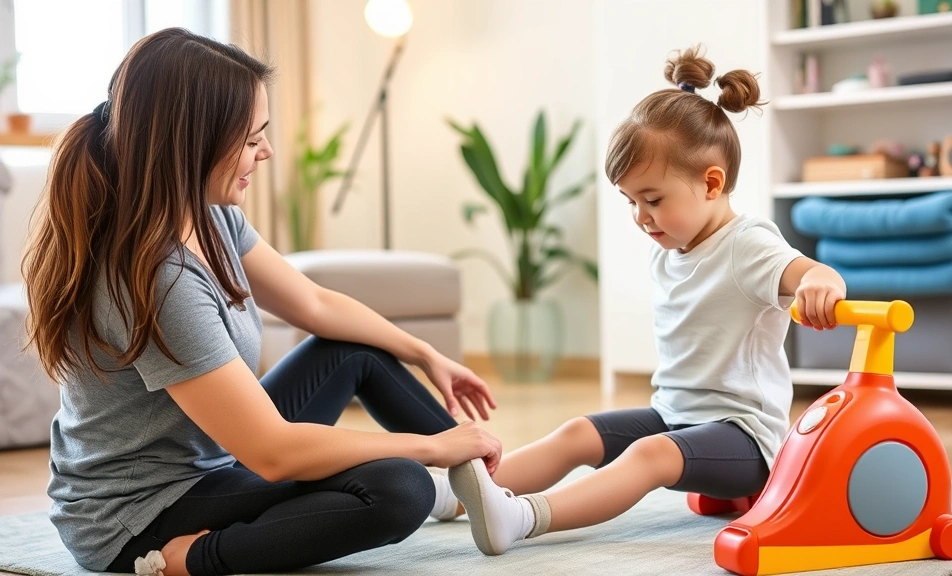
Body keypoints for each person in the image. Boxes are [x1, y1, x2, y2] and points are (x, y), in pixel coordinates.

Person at [21, 27, 501, 576]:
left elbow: (316, 304)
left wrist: (425, 354)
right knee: (400, 487)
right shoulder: (157, 278)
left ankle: (484, 486)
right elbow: (272, 453)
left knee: (352, 351)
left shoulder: (208, 214)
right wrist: (431, 448)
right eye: (252, 139)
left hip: (218, 461)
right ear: (192, 144)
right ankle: (191, 559)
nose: (266, 151)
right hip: (139, 515)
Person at [441, 45, 848, 556]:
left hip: (744, 439)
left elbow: (812, 271)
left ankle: (522, 518)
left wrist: (820, 282)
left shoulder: (748, 246)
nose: (641, 216)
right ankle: (452, 498)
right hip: (675, 414)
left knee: (649, 455)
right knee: (577, 433)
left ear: (711, 183)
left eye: (652, 199)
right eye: (631, 201)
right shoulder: (672, 250)